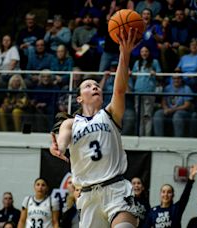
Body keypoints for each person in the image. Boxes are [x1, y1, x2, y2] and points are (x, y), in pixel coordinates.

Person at [49, 28, 139, 228]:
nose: (95, 87)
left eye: (96, 85)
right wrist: (57, 148)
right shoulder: (71, 123)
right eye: (88, 86)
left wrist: (124, 53)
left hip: (116, 189)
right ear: (79, 98)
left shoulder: (110, 114)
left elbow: (119, 89)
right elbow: (62, 141)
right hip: (88, 195)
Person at [132, 45, 162, 136]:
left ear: (149, 52)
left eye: (146, 51)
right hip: (137, 91)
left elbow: (160, 76)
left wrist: (155, 74)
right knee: (139, 116)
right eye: (142, 51)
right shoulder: (137, 63)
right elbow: (134, 76)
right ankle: (139, 136)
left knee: (147, 115)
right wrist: (130, 74)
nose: (144, 53)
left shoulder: (155, 62)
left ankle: (147, 137)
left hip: (149, 92)